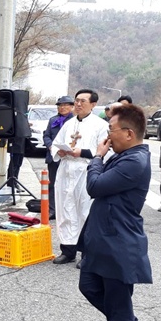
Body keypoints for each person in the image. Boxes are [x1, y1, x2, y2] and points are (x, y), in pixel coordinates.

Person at [77, 104, 152, 321]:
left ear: (129, 134)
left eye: (111, 130)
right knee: (88, 286)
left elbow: (95, 186)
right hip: (105, 240)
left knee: (119, 310)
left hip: (118, 243)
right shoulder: (125, 155)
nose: (108, 136)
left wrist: (98, 157)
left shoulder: (134, 161)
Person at [50, 89, 108, 266]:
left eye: (83, 101)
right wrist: (59, 151)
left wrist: (80, 152)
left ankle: (87, 254)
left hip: (85, 171)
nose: (78, 104)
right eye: (76, 101)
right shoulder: (68, 124)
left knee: (85, 211)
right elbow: (55, 143)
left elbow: (106, 151)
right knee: (65, 209)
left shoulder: (100, 125)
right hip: (66, 170)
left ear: (93, 104)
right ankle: (67, 250)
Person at [42, 96, 74, 220]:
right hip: (53, 156)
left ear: (71, 107)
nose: (63, 107)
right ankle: (52, 210)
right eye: (60, 105)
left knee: (67, 185)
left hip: (68, 156)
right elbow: (46, 136)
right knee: (52, 184)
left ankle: (66, 210)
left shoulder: (74, 121)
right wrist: (51, 147)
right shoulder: (53, 120)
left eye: (66, 105)